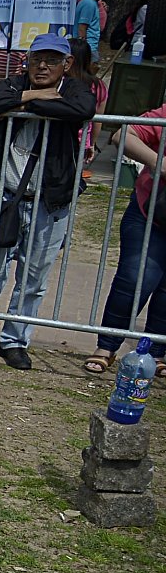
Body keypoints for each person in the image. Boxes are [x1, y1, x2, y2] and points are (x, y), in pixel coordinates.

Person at [0, 33, 97, 368]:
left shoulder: (74, 89)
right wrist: (31, 93)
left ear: (67, 64)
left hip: (49, 200)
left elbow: (83, 108)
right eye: (36, 59)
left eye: (51, 60)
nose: (42, 66)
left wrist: (25, 103)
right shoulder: (16, 83)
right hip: (4, 196)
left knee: (34, 278)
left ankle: (15, 341)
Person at [86, 99, 166, 373]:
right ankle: (106, 346)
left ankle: (156, 352)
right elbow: (124, 134)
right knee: (136, 278)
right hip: (150, 213)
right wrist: (159, 163)